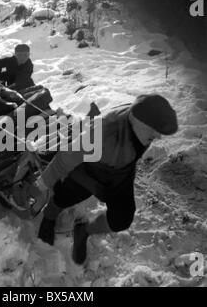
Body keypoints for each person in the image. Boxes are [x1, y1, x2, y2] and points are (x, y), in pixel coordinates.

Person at [33, 94, 178, 265]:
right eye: (154, 130)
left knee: (121, 219)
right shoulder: (101, 134)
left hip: (120, 173)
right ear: (138, 122)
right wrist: (39, 186)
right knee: (65, 196)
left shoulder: (142, 126)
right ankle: (49, 217)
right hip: (89, 170)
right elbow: (65, 158)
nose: (158, 137)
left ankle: (84, 230)